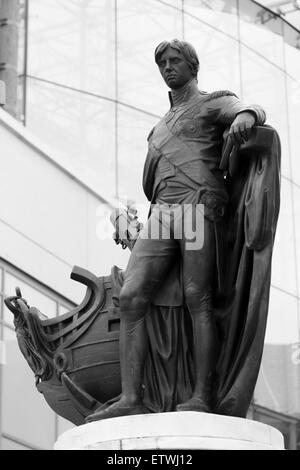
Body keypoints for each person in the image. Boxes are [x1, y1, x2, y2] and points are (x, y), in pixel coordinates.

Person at [86, 39, 266, 422]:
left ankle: (201, 395)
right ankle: (132, 397)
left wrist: (247, 115)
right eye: (162, 63)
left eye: (175, 61)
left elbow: (249, 109)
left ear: (191, 66)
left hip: (199, 205)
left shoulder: (212, 102)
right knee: (132, 295)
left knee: (196, 296)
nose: (168, 67)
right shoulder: (160, 126)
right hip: (164, 212)